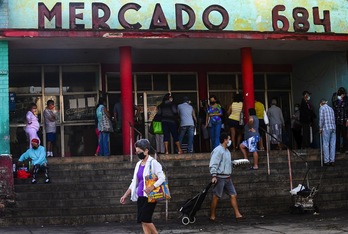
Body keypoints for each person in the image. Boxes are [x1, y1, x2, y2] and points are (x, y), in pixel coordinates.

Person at [120, 139, 165, 234]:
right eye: (136, 152)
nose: (137, 153)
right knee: (143, 221)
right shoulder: (138, 164)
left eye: (139, 152)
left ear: (146, 151)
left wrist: (152, 187)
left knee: (145, 219)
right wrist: (125, 195)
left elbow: (162, 177)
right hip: (140, 196)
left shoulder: (153, 163)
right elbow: (134, 182)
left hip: (150, 196)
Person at [209, 132, 244, 222]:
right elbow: (214, 163)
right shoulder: (218, 150)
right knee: (216, 196)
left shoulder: (227, 151)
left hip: (227, 177)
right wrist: (214, 175)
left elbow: (226, 163)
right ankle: (212, 215)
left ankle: (237, 214)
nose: (230, 141)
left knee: (233, 194)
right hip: (220, 177)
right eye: (228, 139)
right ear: (225, 140)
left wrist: (234, 164)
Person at [319, 98, 336, 166]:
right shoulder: (331, 109)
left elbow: (321, 119)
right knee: (333, 144)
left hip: (326, 128)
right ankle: (332, 160)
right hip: (333, 128)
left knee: (326, 144)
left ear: (321, 103)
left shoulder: (322, 108)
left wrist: (320, 128)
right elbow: (334, 119)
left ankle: (326, 161)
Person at [332, 87, 348, 154]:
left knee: (345, 136)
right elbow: (334, 111)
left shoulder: (346, 102)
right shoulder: (335, 102)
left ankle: (345, 149)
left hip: (344, 121)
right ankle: (338, 149)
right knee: (337, 136)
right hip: (337, 122)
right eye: (341, 94)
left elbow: (347, 111)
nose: (342, 96)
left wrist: (347, 120)